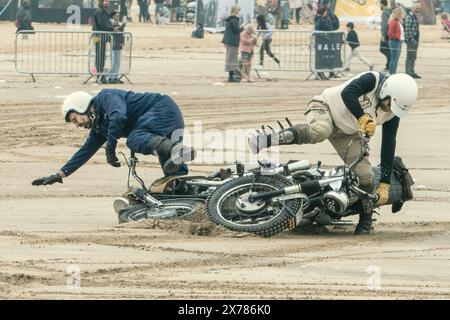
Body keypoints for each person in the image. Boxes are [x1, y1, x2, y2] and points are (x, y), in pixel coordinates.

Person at [248, 71, 419, 235]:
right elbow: (348, 93)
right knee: (321, 130)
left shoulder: (393, 114)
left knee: (365, 177)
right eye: (390, 104)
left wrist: (384, 184)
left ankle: (365, 222)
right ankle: (267, 139)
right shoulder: (372, 80)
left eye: (394, 108)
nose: (389, 109)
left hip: (347, 132)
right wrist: (362, 117)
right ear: (386, 90)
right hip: (325, 107)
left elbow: (388, 145)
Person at [31, 90, 197, 187]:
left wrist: (110, 148)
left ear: (81, 107)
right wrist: (60, 174)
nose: (76, 125)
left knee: (134, 139)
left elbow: (118, 116)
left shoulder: (105, 97)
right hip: (162, 119)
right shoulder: (98, 128)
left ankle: (178, 150)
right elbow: (85, 152)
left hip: (162, 108)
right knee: (171, 170)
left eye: (75, 119)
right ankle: (191, 193)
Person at [93, 0, 120, 84]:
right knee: (100, 56)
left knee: (101, 56)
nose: (107, 2)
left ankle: (101, 76)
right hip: (98, 37)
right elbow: (103, 24)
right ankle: (100, 76)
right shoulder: (100, 11)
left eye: (108, 1)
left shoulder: (102, 11)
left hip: (100, 37)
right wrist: (112, 29)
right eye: (105, 1)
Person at [222, 5, 242, 83]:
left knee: (230, 58)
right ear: (235, 10)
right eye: (238, 10)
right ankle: (231, 77)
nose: (239, 12)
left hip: (229, 41)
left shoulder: (230, 19)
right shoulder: (234, 20)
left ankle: (231, 76)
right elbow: (236, 30)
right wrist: (242, 28)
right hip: (233, 41)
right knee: (232, 59)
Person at [403, 3, 421, 79]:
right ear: (413, 8)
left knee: (414, 56)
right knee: (410, 56)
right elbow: (407, 29)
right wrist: (412, 39)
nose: (418, 10)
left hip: (415, 39)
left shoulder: (415, 16)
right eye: (417, 8)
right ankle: (408, 72)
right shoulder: (409, 17)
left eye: (419, 9)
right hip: (411, 40)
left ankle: (412, 71)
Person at [109, 10, 126, 84]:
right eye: (116, 16)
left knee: (117, 62)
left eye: (118, 16)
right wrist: (122, 26)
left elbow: (120, 33)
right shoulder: (112, 22)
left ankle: (115, 77)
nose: (117, 17)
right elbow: (116, 31)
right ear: (113, 16)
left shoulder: (117, 22)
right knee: (114, 62)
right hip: (114, 43)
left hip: (118, 43)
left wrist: (122, 42)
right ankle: (111, 77)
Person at [387, 7, 405, 74]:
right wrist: (397, 37)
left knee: (396, 59)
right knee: (394, 59)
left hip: (398, 42)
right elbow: (390, 33)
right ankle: (391, 73)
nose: (403, 14)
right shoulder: (393, 21)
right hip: (394, 42)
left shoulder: (398, 21)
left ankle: (393, 72)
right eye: (402, 13)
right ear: (399, 14)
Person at [379, 0, 392, 72]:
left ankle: (388, 66)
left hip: (386, 35)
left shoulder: (385, 13)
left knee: (383, 49)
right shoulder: (390, 11)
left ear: (382, 4)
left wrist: (383, 35)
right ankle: (388, 66)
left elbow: (384, 25)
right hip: (390, 34)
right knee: (388, 50)